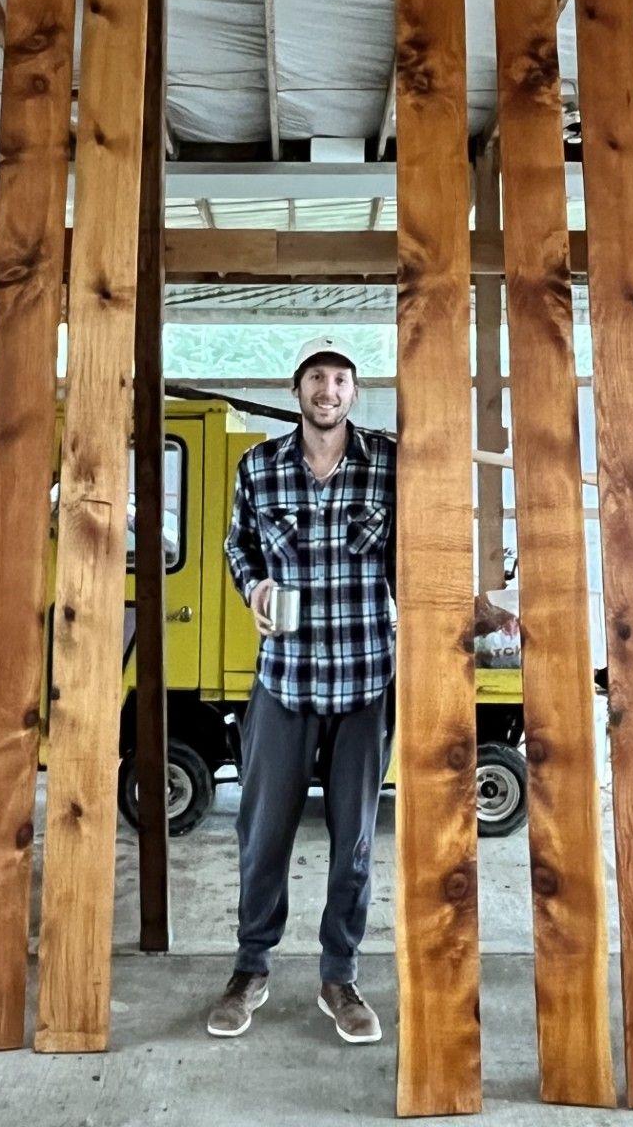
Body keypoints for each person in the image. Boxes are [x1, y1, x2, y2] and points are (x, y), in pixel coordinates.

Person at [209, 335, 396, 1045]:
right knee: (261, 837)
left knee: (353, 843)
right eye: (317, 377)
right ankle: (250, 967)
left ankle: (338, 977)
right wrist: (252, 583)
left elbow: (415, 549)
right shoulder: (260, 467)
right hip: (282, 682)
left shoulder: (387, 464)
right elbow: (238, 544)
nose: (329, 390)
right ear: (298, 390)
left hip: (364, 680)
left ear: (356, 391)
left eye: (341, 378)